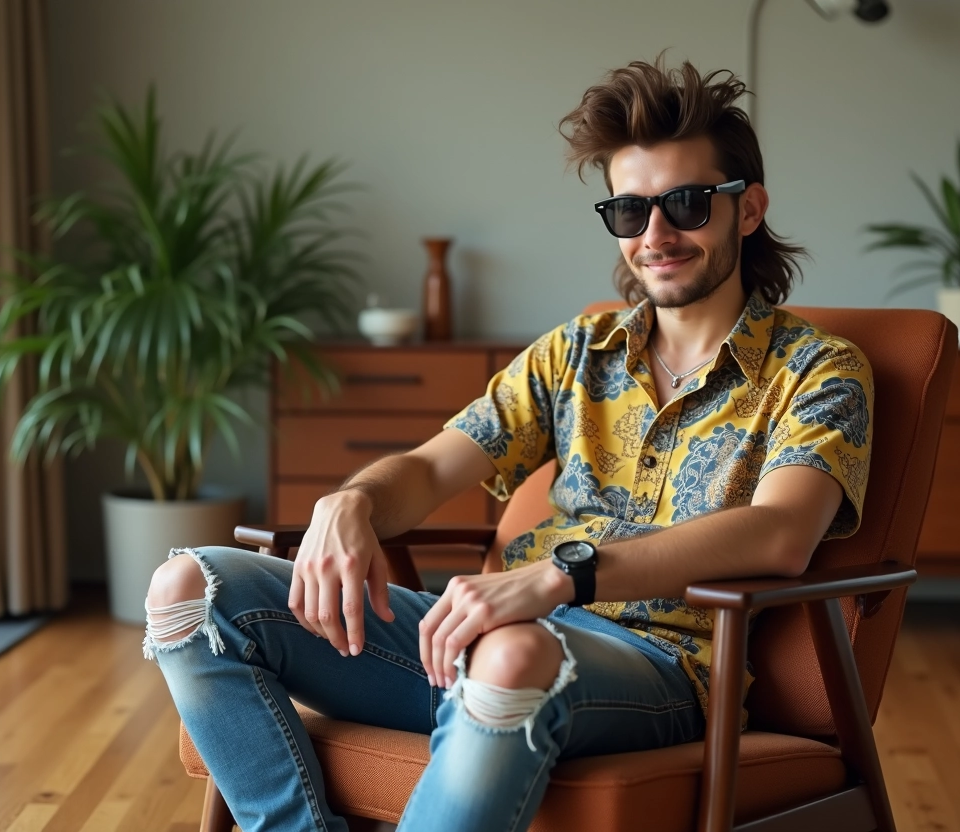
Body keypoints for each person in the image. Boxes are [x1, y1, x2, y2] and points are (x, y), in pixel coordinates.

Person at [143, 56, 874, 832]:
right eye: (629, 211)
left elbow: (781, 532)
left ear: (748, 209)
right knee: (187, 590)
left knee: (513, 653)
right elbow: (432, 466)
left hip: (662, 672)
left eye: (687, 204)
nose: (655, 235)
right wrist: (351, 500)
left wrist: (563, 578)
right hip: (475, 641)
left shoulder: (818, 371)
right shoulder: (576, 352)